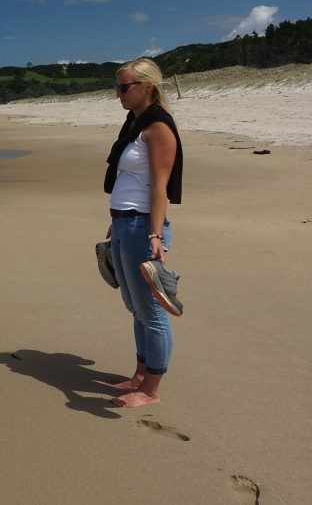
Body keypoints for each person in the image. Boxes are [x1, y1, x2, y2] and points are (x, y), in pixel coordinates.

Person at [103, 57, 183, 408]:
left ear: (146, 87)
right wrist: (116, 219)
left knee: (151, 310)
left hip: (142, 227)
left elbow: (159, 188)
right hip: (124, 222)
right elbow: (128, 178)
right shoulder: (134, 123)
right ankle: (140, 373)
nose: (118, 93)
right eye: (117, 87)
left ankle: (151, 389)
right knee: (135, 307)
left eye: (124, 87)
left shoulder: (159, 127)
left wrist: (154, 236)